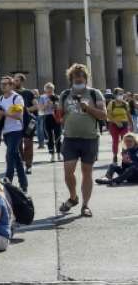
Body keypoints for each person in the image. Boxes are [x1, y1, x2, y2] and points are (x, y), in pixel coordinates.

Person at [55, 63, 106, 218]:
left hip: (90, 138)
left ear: (86, 77)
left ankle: (85, 205)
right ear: (71, 78)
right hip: (70, 138)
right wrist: (57, 113)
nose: (79, 78)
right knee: (68, 172)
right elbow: (59, 117)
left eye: (81, 75)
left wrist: (88, 108)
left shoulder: (94, 93)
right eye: (76, 75)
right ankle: (73, 197)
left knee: (87, 172)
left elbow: (103, 115)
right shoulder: (64, 94)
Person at [0, 76, 28, 192]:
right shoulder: (0, 99)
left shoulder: (17, 98)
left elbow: (18, 116)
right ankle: (24, 184)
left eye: (5, 84)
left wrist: (2, 113)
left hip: (16, 130)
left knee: (10, 154)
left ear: (11, 85)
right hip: (6, 131)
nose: (2, 86)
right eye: (1, 84)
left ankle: (8, 182)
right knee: (16, 157)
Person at [12, 74, 38, 173]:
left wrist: (25, 110)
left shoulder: (28, 93)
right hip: (15, 122)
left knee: (28, 143)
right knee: (17, 144)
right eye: (14, 80)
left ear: (22, 81)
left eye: (17, 80)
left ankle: (28, 165)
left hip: (29, 122)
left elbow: (36, 106)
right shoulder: (10, 94)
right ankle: (21, 162)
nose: (15, 82)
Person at [107, 88, 131, 164]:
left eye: (122, 93)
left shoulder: (125, 104)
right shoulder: (112, 103)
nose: (121, 95)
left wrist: (131, 123)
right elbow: (108, 115)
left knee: (125, 140)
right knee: (115, 141)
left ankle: (124, 156)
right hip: (114, 124)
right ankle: (115, 156)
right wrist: (116, 122)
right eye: (119, 94)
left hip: (124, 124)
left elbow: (128, 114)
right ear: (115, 95)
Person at [38, 84, 62, 161]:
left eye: (51, 91)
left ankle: (59, 154)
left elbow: (61, 108)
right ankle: (52, 155)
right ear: (45, 90)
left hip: (56, 117)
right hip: (47, 117)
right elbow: (40, 109)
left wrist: (55, 105)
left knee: (58, 136)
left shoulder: (57, 97)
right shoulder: (42, 97)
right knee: (49, 137)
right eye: (48, 91)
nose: (50, 93)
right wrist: (47, 104)